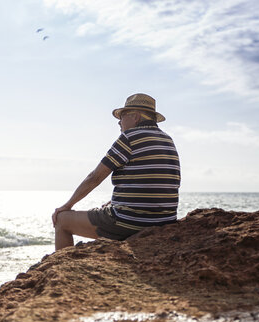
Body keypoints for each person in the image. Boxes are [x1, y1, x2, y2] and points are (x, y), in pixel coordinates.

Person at [52, 93, 180, 250]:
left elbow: (95, 177)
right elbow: (159, 181)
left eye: (123, 116)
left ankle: (64, 271)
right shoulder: (168, 140)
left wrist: (67, 205)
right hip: (165, 221)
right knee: (108, 207)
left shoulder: (129, 137)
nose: (119, 122)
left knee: (62, 220)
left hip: (132, 222)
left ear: (136, 117)